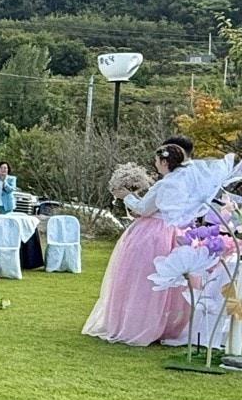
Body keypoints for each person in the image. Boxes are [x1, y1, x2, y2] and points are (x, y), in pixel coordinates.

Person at [83, 144, 195, 346]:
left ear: (164, 162)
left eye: (157, 161)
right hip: (175, 232)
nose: (155, 165)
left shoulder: (164, 185)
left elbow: (144, 209)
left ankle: (136, 325)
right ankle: (165, 325)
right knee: (166, 284)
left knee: (139, 280)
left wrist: (126, 196)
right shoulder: (183, 184)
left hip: (153, 234)